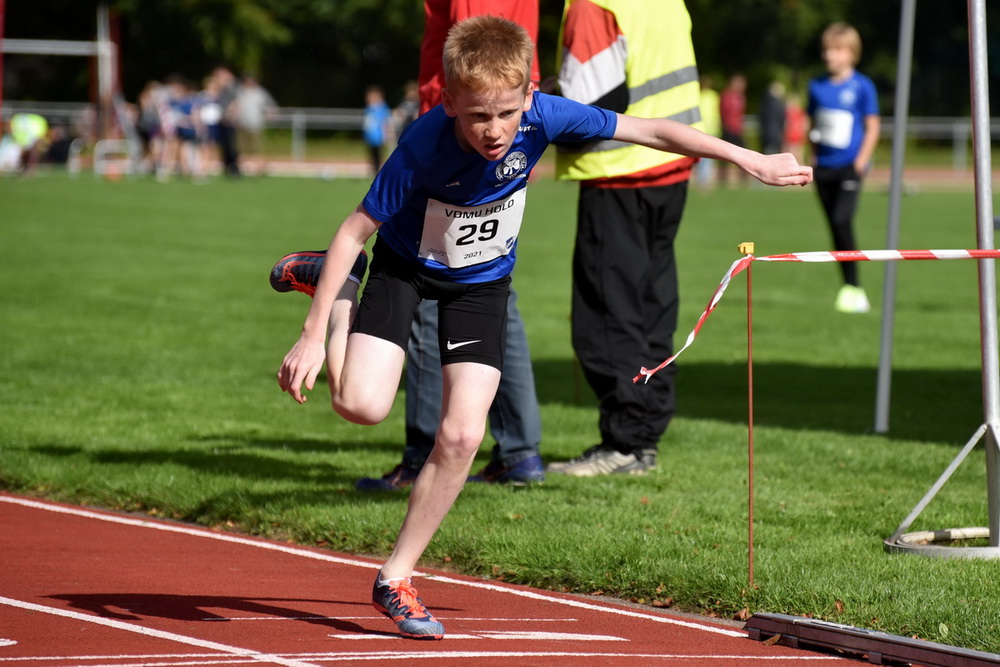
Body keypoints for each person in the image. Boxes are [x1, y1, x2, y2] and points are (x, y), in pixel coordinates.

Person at [274, 15, 810, 640]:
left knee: (462, 434)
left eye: (505, 114)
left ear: (529, 95)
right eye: (477, 117)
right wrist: (314, 335)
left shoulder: (547, 115)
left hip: (479, 283)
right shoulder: (424, 144)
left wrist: (750, 158)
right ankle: (336, 295)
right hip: (402, 268)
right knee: (362, 405)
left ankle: (395, 577)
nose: (494, 131)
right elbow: (351, 230)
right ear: (449, 102)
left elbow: (654, 129)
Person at [355, 0, 546, 491]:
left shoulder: (479, 105)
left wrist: (481, 117)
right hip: (484, 121)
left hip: (463, 131)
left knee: (443, 286)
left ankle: (429, 452)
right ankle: (517, 450)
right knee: (486, 284)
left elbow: (477, 54)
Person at [545, 0, 700, 477]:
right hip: (670, 168)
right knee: (653, 309)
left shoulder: (594, 6)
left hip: (619, 173)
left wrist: (532, 103)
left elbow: (587, 109)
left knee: (608, 317)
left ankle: (625, 442)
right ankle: (644, 436)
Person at [808, 22, 880, 314]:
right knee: (834, 229)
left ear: (852, 53)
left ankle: (855, 285)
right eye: (827, 49)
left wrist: (860, 162)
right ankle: (849, 286)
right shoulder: (816, 86)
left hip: (849, 168)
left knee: (842, 220)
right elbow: (813, 124)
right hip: (823, 168)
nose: (830, 55)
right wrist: (811, 156)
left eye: (837, 50)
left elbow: (873, 126)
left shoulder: (862, 86)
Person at [232, 74, 278, 176]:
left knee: (255, 149)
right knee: (241, 149)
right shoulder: (239, 92)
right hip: (241, 125)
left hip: (255, 125)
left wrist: (271, 115)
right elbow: (234, 106)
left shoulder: (260, 93)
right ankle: (241, 169)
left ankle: (255, 170)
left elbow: (271, 106)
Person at [718, 73, 747, 186]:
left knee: (743, 153)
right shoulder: (727, 96)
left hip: (737, 129)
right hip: (729, 129)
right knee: (724, 154)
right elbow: (723, 112)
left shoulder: (740, 97)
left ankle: (743, 177)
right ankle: (723, 178)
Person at [696, 75, 721, 189]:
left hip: (709, 129)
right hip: (704, 129)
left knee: (708, 157)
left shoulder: (711, 96)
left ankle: (705, 181)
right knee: (704, 157)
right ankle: (703, 181)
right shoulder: (699, 96)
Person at [362, 85, 392, 176]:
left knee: (379, 154)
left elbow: (385, 121)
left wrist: (387, 134)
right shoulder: (369, 108)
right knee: (372, 154)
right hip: (370, 135)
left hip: (378, 136)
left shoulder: (382, 108)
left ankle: (379, 171)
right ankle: (374, 170)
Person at [759, 80, 786, 155]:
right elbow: (782, 120)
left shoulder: (764, 103)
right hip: (776, 134)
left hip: (765, 133)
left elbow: (761, 118)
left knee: (766, 154)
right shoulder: (779, 104)